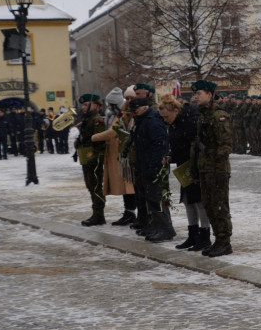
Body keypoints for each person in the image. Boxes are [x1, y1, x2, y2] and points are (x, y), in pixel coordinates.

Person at [158, 94, 212, 251]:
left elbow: (194, 146)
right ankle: (193, 234)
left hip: (194, 165)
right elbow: (177, 145)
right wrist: (171, 155)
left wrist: (195, 170)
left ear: (175, 111)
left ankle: (205, 236)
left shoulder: (189, 121)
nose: (165, 120)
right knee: (188, 200)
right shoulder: (175, 123)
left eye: (166, 117)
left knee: (199, 201)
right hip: (184, 165)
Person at [190, 80, 235, 256]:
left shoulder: (219, 115)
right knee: (209, 206)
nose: (195, 97)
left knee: (219, 206)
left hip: (217, 170)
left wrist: (210, 158)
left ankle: (225, 242)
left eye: (198, 94)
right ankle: (218, 239)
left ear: (209, 95)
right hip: (205, 169)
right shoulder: (203, 116)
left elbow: (225, 146)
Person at [128, 96, 175, 242]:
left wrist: (154, 166)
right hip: (146, 164)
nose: (133, 114)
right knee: (151, 198)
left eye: (135, 111)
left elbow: (159, 145)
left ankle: (166, 229)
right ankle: (157, 225)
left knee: (157, 199)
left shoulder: (152, 121)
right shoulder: (143, 120)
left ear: (144, 108)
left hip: (155, 167)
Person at [90, 87, 138, 226]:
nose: (129, 101)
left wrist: (93, 138)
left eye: (131, 98)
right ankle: (129, 212)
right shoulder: (118, 114)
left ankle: (132, 213)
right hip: (118, 153)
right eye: (127, 98)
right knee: (125, 186)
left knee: (128, 185)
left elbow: (113, 131)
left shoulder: (123, 114)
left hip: (124, 154)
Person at [76, 94, 107, 226]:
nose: (83, 107)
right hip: (86, 156)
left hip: (94, 158)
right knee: (90, 185)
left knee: (95, 186)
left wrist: (94, 155)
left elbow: (100, 141)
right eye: (82, 105)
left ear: (95, 105)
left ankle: (99, 215)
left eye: (85, 104)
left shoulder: (96, 120)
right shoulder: (87, 119)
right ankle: (96, 214)